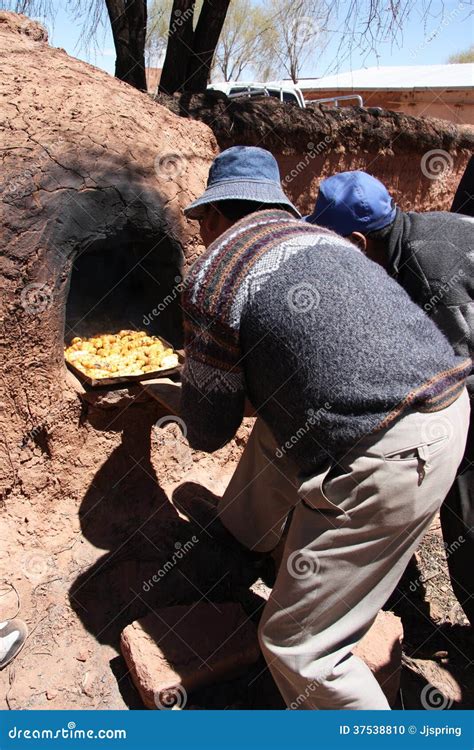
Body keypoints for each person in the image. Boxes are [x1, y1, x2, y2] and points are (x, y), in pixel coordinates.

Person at [180, 146, 471, 710]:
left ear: (215, 217)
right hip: (451, 407)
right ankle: (245, 542)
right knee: (280, 426)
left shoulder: (212, 274)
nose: (199, 236)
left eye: (200, 225)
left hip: (393, 454)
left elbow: (208, 433)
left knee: (298, 645)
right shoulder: (331, 245)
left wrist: (190, 391)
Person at [307, 170, 474, 626]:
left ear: (359, 244)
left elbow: (459, 379)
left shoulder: (426, 270)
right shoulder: (406, 242)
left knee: (465, 513)